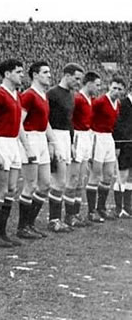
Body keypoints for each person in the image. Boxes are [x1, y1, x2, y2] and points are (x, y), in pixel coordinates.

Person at [0, 59, 34, 248]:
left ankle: (2, 233)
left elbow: (19, 124)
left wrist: (26, 146)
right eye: (18, 71)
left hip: (13, 143)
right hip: (1, 142)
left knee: (11, 189)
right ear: (7, 74)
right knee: (1, 190)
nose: (22, 74)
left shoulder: (17, 95)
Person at [17, 61, 62, 239]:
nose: (49, 75)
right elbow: (19, 122)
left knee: (45, 185)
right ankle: (22, 227)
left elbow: (46, 122)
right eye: (45, 72)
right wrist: (27, 146)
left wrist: (54, 143)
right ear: (35, 75)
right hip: (30, 138)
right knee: (30, 184)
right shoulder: (28, 95)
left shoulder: (43, 95)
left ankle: (30, 223)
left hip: (42, 139)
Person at [46, 63, 84, 232]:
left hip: (65, 139)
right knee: (58, 181)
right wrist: (50, 142)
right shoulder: (52, 94)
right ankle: (53, 220)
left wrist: (71, 144)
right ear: (66, 75)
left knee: (64, 180)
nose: (78, 82)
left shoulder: (71, 95)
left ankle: (61, 218)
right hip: (53, 135)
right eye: (76, 78)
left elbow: (69, 122)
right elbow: (44, 119)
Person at [64, 71, 102, 225]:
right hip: (78, 137)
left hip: (87, 137)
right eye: (97, 85)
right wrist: (72, 142)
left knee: (81, 179)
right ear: (89, 83)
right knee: (73, 177)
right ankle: (69, 215)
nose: (99, 88)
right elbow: (69, 120)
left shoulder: (91, 100)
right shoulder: (77, 99)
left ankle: (76, 213)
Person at [86, 75, 126, 220]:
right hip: (97, 136)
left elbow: (115, 125)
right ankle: (91, 212)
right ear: (109, 86)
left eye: (119, 89)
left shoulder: (119, 104)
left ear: (123, 91)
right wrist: (89, 139)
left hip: (109, 138)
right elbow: (88, 118)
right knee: (95, 174)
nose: (116, 91)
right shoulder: (100, 101)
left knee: (108, 175)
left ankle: (101, 208)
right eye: (114, 88)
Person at [113, 88, 132, 218]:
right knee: (122, 175)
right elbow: (117, 126)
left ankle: (127, 207)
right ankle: (119, 208)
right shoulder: (123, 104)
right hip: (125, 144)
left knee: (131, 177)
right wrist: (118, 145)